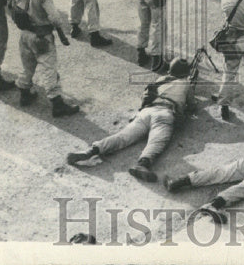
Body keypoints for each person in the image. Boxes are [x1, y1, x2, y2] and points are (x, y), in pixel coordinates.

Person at [67, 57, 198, 179]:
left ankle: (91, 150)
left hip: (146, 112)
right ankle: (142, 164)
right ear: (185, 74)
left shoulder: (160, 80)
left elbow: (145, 96)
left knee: (123, 136)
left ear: (170, 70)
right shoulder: (186, 83)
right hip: (165, 113)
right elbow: (192, 106)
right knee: (157, 141)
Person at [11, 0, 81, 116]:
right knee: (48, 69)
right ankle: (57, 104)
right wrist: (61, 30)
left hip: (25, 35)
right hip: (41, 36)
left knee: (28, 66)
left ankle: (24, 93)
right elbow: (55, 18)